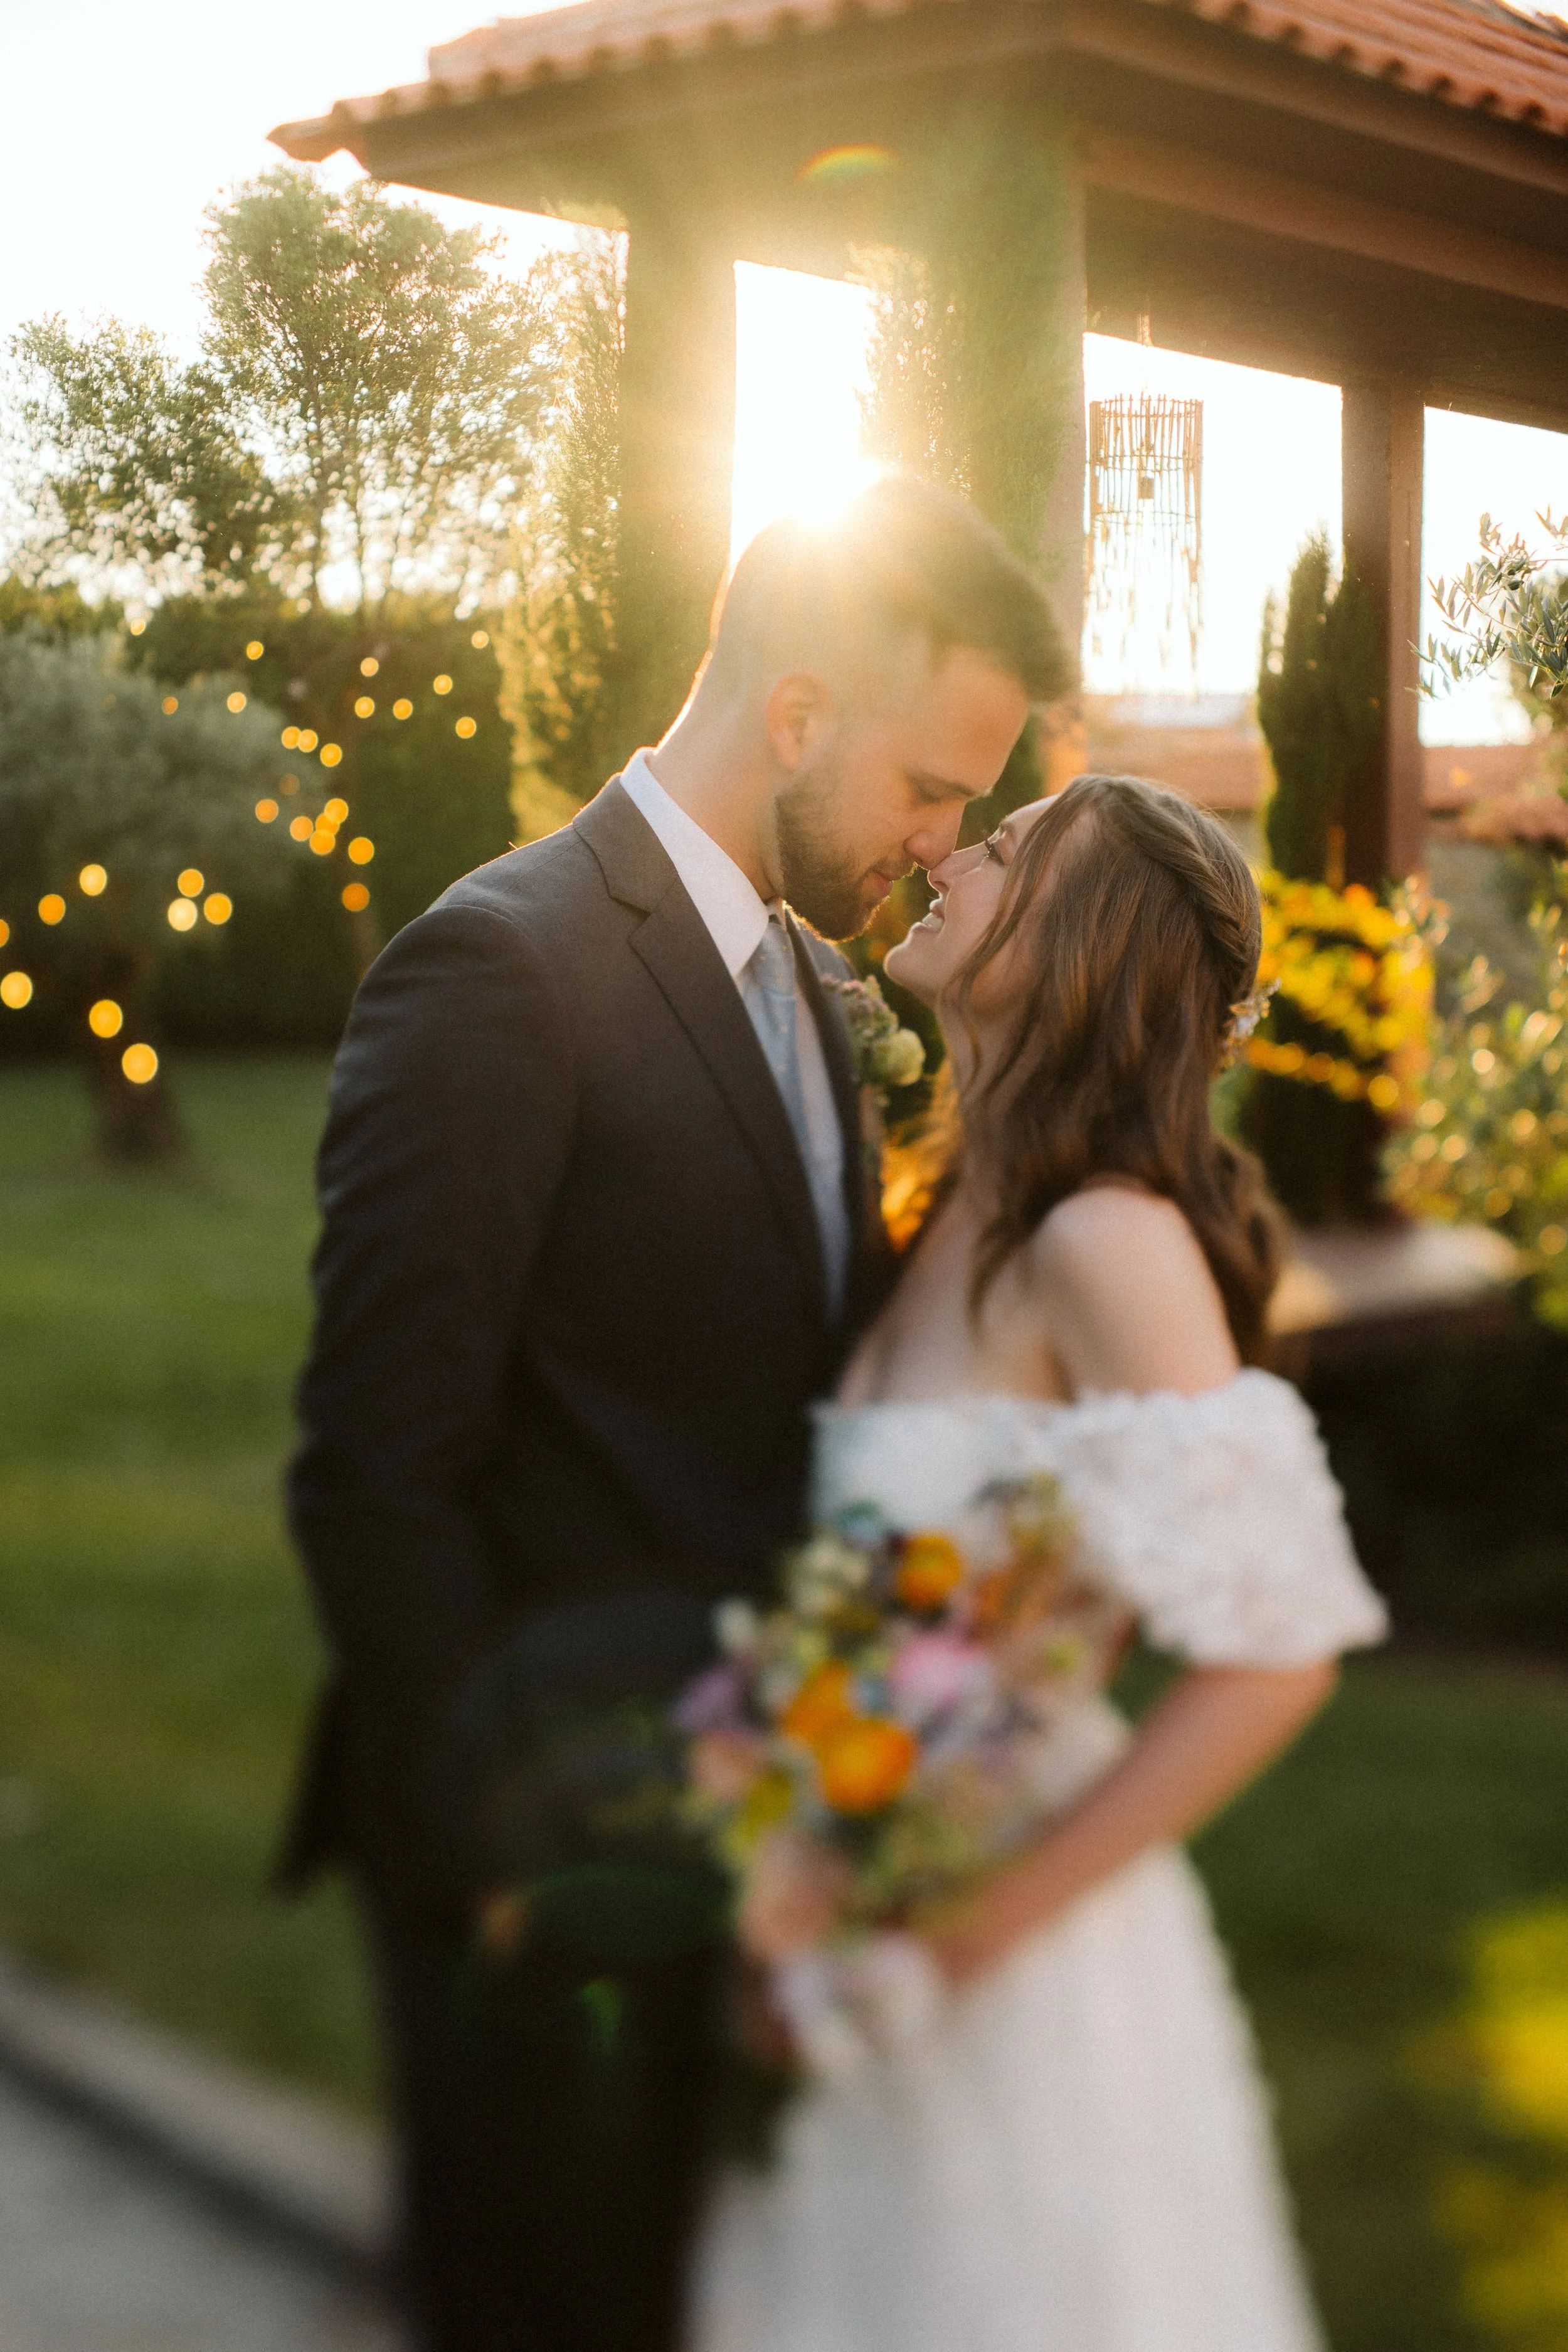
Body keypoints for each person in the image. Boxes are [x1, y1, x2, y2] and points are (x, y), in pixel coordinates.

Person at [282, 477, 1071, 2352]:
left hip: (726, 1830)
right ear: (796, 716)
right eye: (933, 789)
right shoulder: (504, 964)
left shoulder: (808, 980)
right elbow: (375, 1465)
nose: (944, 842)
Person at [691, 773, 1388, 2352]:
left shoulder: (1102, 1242)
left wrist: (960, 1932)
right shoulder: (940, 1208)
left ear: (1088, 936)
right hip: (875, 1904)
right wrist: (811, 1851)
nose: (942, 845)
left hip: (1020, 1966)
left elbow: (1275, 1654)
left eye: (1002, 850)